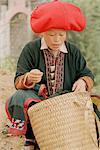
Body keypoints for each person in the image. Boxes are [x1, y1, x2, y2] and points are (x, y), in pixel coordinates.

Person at [5, 0, 94, 149]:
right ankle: (31, 136)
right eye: (51, 34)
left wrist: (83, 81)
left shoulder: (73, 52)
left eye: (61, 34)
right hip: (40, 103)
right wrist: (28, 78)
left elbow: (87, 73)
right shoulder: (31, 49)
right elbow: (18, 80)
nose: (57, 39)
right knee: (19, 96)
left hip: (65, 105)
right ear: (42, 33)